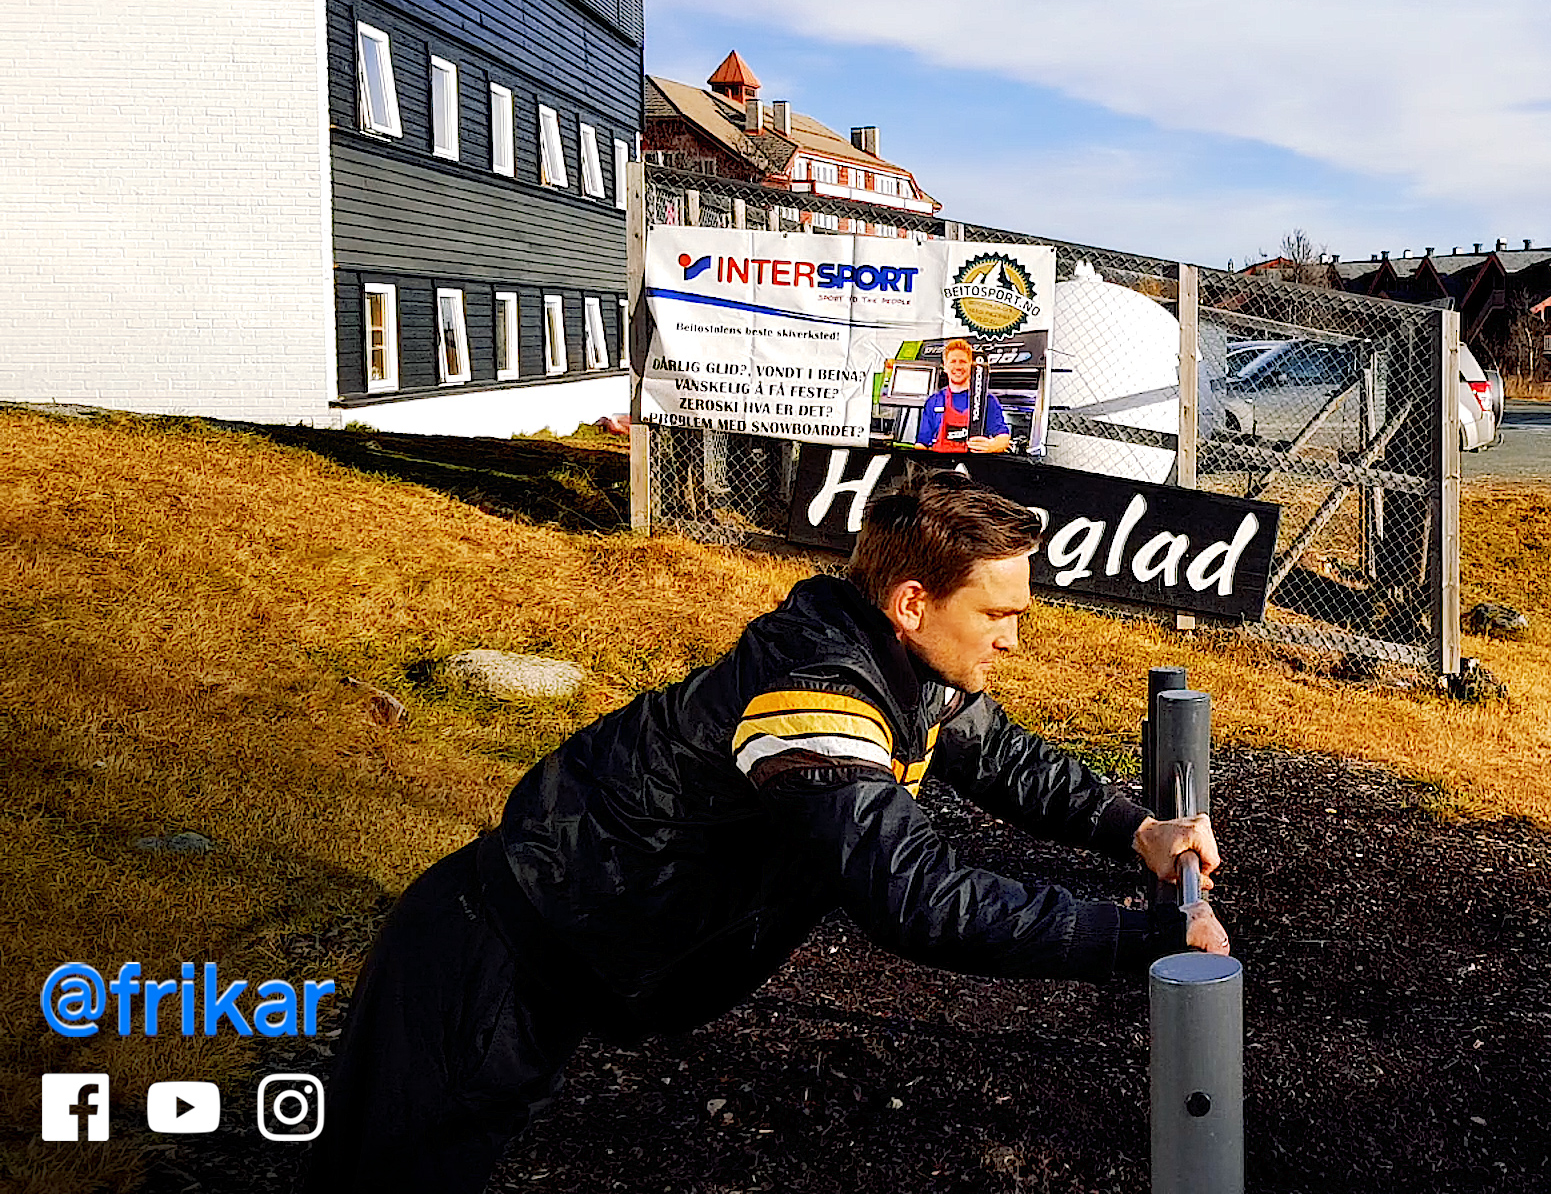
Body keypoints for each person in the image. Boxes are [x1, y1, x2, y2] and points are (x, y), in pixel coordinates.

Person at [302, 472, 1224, 1193]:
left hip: (577, 948)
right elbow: (915, 896)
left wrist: (1137, 827)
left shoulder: (903, 666)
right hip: (493, 952)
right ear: (912, 602)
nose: (1014, 639)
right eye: (998, 614)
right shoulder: (814, 698)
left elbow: (1002, 757)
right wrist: (1145, 936)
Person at [917, 338, 1013, 453]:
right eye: (953, 361)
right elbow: (921, 444)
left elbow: (1003, 437)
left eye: (963, 361)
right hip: (940, 467)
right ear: (945, 366)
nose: (958, 367)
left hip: (972, 467)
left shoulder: (986, 400)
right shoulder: (934, 401)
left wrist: (992, 446)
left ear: (971, 365)